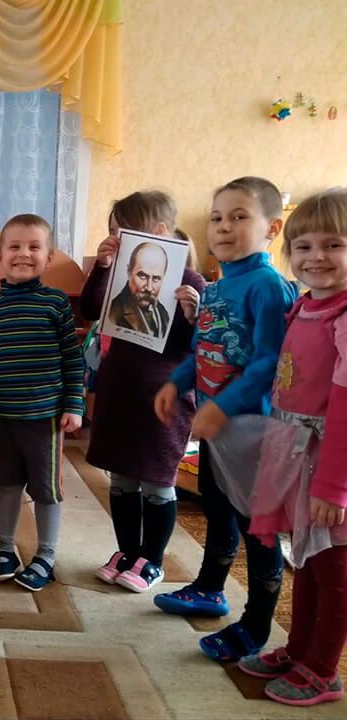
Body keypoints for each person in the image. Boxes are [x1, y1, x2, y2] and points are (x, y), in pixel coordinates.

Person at [154, 177, 298, 661]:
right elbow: (202, 351)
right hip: (218, 431)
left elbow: (270, 362)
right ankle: (210, 588)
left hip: (255, 432)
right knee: (217, 508)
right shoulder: (214, 288)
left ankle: (256, 625)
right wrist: (176, 382)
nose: (223, 227)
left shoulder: (268, 287)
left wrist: (222, 406)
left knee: (258, 527)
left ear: (272, 229)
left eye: (239, 217)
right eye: (217, 217)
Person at [235, 189, 347, 706]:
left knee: (334, 572)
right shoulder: (305, 305)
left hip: (332, 466)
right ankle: (299, 649)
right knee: (306, 562)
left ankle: (323, 670)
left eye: (334, 245)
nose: (315, 257)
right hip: (302, 454)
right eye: (303, 246)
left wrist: (333, 486)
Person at [80, 191, 205, 592]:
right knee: (120, 476)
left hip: (164, 395)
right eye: (113, 232)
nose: (117, 239)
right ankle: (127, 552)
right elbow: (90, 309)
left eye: (124, 232)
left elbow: (201, 345)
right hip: (120, 390)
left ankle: (152, 560)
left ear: (159, 232)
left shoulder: (191, 282)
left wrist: (193, 314)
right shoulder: (120, 273)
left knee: (157, 478)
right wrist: (102, 267)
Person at [0, 214, 84, 591]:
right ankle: (4, 550)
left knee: (45, 490)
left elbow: (72, 358)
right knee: (7, 485)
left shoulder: (56, 303)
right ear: (0, 255)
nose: (24, 254)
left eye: (34, 247)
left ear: (48, 257)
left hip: (46, 418)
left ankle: (46, 556)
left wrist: (74, 404)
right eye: (15, 247)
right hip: (4, 417)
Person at [107, 241, 170, 338]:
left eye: (156, 278)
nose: (149, 288)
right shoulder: (113, 313)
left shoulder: (163, 314)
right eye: (142, 276)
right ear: (129, 271)